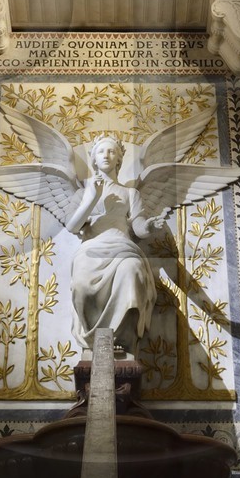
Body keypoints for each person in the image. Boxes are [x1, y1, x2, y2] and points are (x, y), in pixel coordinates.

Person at [63, 135, 163, 350]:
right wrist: (92, 197)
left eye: (111, 152)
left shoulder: (130, 193)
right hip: (91, 248)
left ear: (119, 159)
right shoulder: (83, 193)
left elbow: (138, 227)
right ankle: (97, 340)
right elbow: (72, 226)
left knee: (133, 269)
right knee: (81, 285)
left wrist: (149, 227)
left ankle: (120, 339)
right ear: (94, 160)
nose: (106, 155)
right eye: (101, 152)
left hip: (122, 247)